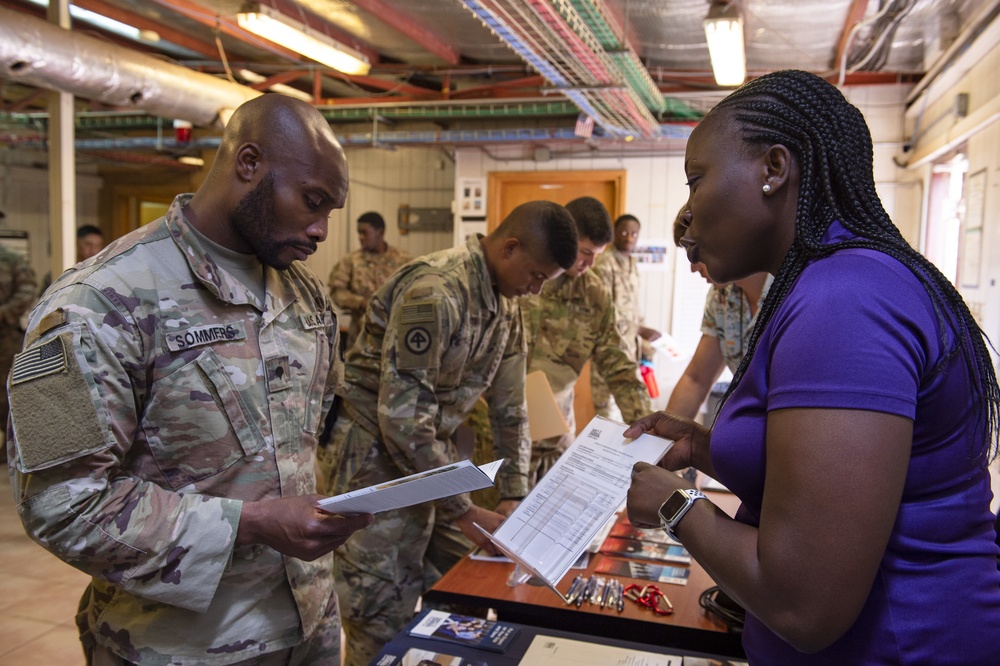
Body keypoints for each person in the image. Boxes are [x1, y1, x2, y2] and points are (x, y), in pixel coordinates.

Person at [626, 69, 1000, 664]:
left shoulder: (844, 300)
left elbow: (804, 604)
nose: (689, 213)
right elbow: (828, 479)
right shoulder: (833, 281)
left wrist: (676, 506)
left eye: (697, 180)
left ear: (774, 169)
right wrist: (702, 449)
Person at [6, 95, 373, 665]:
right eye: (312, 201)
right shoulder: (94, 303)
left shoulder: (303, 294)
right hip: (181, 646)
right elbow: (59, 503)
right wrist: (249, 524)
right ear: (248, 164)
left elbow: (314, 428)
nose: (322, 229)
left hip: (308, 625)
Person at [327, 200, 578, 666]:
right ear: (509, 248)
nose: (537, 289)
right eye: (538, 275)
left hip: (432, 458)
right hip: (374, 462)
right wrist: (463, 508)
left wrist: (512, 495)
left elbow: (511, 409)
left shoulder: (508, 303)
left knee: (463, 586)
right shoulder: (436, 291)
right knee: (380, 608)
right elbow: (402, 419)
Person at [522, 196, 650, 484]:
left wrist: (648, 427)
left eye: (598, 254)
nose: (590, 263)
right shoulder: (518, 278)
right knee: (493, 524)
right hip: (500, 438)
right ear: (562, 236)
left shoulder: (594, 296)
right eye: (585, 252)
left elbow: (620, 369)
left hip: (553, 440)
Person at [666, 206, 772, 421]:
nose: (693, 268)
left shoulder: (790, 288)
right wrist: (657, 444)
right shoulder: (720, 297)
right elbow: (696, 380)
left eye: (696, 252)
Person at [590, 212, 660, 420]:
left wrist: (644, 342)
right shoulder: (604, 264)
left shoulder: (632, 265)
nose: (629, 237)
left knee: (633, 407)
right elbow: (603, 310)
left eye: (634, 234)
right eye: (624, 232)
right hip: (608, 346)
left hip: (630, 346)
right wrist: (639, 329)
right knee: (606, 411)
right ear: (615, 234)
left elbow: (634, 307)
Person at [327, 211, 411, 351]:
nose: (360, 237)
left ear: (380, 232)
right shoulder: (351, 261)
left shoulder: (403, 259)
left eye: (364, 233)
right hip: (360, 340)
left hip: (395, 339)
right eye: (358, 233)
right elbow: (337, 292)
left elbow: (414, 289)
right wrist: (360, 302)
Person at [0, 236, 37, 458]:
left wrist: (3, 313)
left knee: (8, 393)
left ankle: (11, 449)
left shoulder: (10, 258)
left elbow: (27, 291)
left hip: (4, 338)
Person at [38, 224, 107, 296]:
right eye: (88, 245)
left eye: (98, 245)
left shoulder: (103, 273)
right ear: (77, 244)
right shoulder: (61, 271)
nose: (93, 250)